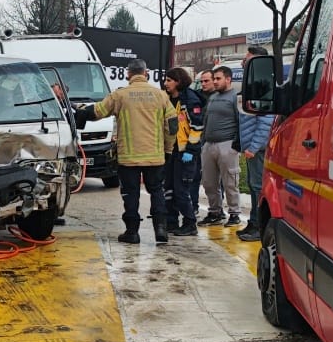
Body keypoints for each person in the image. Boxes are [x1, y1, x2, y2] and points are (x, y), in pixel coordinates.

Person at [75, 58, 177, 244]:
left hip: (128, 158)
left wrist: (80, 114)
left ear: (128, 74)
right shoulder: (161, 96)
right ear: (146, 74)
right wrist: (168, 150)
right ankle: (161, 229)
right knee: (157, 191)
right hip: (154, 157)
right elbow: (172, 126)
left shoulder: (120, 95)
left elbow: (98, 111)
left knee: (131, 193)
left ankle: (132, 232)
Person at [236, 46, 275, 242]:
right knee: (253, 185)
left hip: (257, 149)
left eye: (248, 59)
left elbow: (266, 122)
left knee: (258, 186)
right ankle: (253, 222)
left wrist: (254, 146)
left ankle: (260, 226)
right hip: (251, 147)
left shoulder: (263, 85)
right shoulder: (254, 84)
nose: (244, 63)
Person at [162, 67, 205, 237]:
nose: (165, 83)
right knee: (169, 188)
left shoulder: (190, 100)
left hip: (185, 152)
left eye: (169, 80)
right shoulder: (167, 99)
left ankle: (189, 223)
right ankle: (171, 221)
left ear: (178, 82)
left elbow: (197, 127)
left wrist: (190, 150)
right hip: (171, 150)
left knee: (181, 190)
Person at [199, 65, 242, 227]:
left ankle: (234, 213)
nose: (215, 82)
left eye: (218, 79)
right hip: (209, 145)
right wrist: (204, 141)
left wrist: (236, 144)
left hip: (227, 145)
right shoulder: (213, 97)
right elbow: (206, 120)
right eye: (214, 79)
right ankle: (215, 212)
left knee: (230, 181)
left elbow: (240, 121)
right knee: (209, 182)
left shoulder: (235, 98)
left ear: (228, 79)